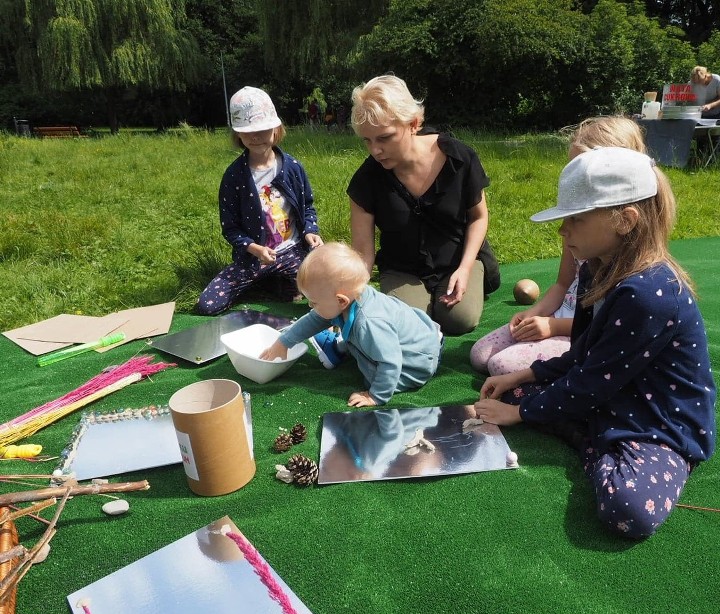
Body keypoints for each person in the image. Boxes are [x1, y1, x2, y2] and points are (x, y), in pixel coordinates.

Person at [473, 147, 716, 539]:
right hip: (610, 392)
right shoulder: (594, 271)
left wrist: (520, 416)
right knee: (511, 390)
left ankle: (591, 438)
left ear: (625, 220)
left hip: (656, 421)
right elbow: (583, 354)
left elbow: (593, 379)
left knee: (627, 508)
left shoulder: (648, 294)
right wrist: (528, 372)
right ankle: (583, 426)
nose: (562, 230)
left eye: (575, 219)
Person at [470, 116, 647, 376]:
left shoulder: (620, 248)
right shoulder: (578, 231)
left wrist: (553, 327)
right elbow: (563, 284)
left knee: (501, 365)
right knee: (480, 355)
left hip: (584, 334)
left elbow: (605, 323)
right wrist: (536, 312)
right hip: (557, 320)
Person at [347, 74, 500, 336]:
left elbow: (478, 217)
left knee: (458, 320)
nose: (375, 150)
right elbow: (363, 252)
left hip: (458, 258)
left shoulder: (458, 158)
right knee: (410, 324)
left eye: (384, 138)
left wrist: (464, 269)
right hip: (403, 267)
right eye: (367, 140)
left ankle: (475, 276)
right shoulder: (366, 179)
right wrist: (350, 295)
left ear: (413, 124)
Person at [260, 242, 443, 407]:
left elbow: (390, 363)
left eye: (313, 302)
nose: (310, 306)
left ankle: (342, 345)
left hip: (413, 364)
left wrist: (375, 396)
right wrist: (284, 341)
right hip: (413, 337)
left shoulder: (370, 324)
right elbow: (315, 318)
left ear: (341, 301)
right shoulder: (352, 297)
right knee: (334, 321)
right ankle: (344, 343)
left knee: (372, 375)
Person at [196, 86, 322, 315]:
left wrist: (310, 231)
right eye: (247, 131)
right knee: (208, 305)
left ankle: (281, 283)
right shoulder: (234, 176)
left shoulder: (292, 167)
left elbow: (307, 207)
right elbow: (230, 228)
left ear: (276, 129)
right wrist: (254, 249)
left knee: (320, 290)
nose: (256, 137)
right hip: (253, 258)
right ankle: (269, 280)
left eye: (263, 129)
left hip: (292, 252)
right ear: (238, 134)